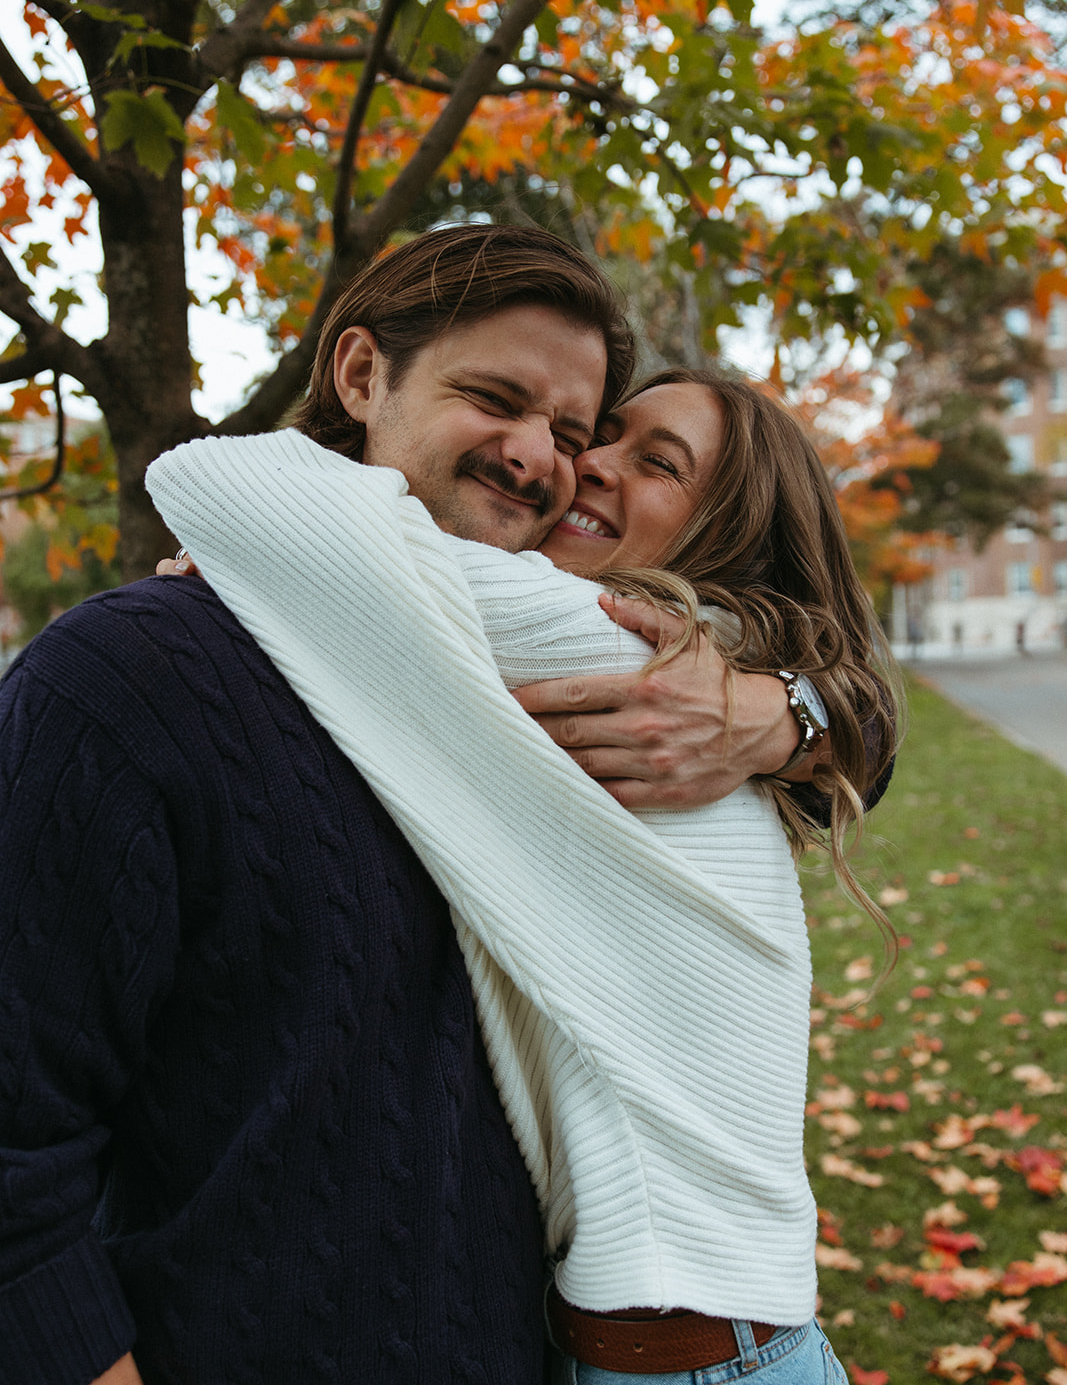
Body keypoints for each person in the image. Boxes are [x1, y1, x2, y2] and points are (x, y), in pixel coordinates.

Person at [0, 225, 814, 1385]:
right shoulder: (122, 683)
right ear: (359, 374)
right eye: (494, 396)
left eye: (575, 435)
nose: (543, 459)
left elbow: (812, 651)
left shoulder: (614, 705)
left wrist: (797, 708)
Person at [147, 362, 899, 1383]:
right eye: (606, 434)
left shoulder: (611, 646)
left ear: (726, 530)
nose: (587, 464)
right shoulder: (699, 669)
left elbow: (213, 479)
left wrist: (271, 551)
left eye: (658, 463)